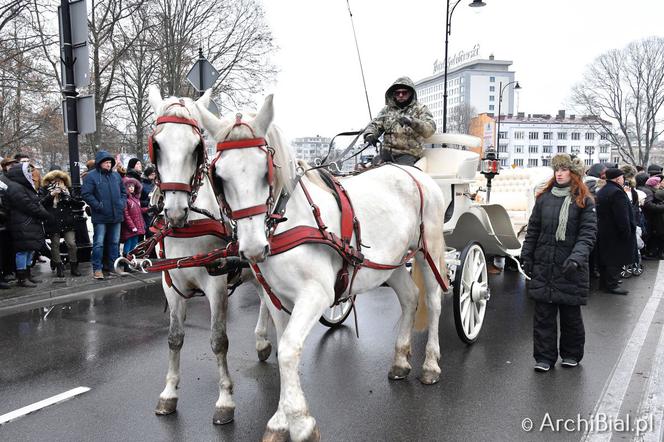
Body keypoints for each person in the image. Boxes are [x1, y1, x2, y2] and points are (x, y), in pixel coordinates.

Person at [520, 154, 596, 372]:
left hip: (570, 266)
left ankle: (571, 354)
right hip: (544, 264)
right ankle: (544, 357)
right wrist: (527, 255)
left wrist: (577, 258)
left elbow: (588, 234)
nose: (559, 173)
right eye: (557, 170)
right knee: (543, 315)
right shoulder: (544, 197)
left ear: (574, 173)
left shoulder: (584, 200)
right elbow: (533, 228)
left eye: (564, 170)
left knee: (570, 315)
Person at [362, 76, 436, 166]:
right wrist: (369, 134)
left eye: (404, 93)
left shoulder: (420, 109)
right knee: (368, 171)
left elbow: (430, 129)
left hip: (409, 154)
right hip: (386, 154)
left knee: (399, 175)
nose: (400, 95)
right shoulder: (387, 110)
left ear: (410, 93)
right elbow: (376, 124)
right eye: (397, 93)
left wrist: (412, 122)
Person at [4, 162, 52, 287]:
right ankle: (22, 278)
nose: (31, 174)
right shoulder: (15, 187)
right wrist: (44, 214)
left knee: (29, 249)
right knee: (22, 251)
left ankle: (27, 274)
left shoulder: (22, 186)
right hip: (22, 223)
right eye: (28, 172)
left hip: (28, 222)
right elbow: (27, 205)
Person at [81, 150, 127, 280]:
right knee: (99, 243)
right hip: (100, 216)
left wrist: (121, 204)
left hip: (116, 215)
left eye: (109, 162)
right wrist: (98, 206)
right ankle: (97, 269)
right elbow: (86, 194)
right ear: (100, 163)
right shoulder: (91, 176)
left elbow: (124, 193)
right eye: (106, 162)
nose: (108, 164)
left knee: (114, 242)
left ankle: (114, 267)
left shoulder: (116, 176)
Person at [596, 168, 637, 295]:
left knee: (605, 258)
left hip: (604, 230)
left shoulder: (603, 190)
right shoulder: (617, 192)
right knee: (615, 259)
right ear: (618, 178)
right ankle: (612, 284)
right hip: (616, 232)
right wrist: (626, 232)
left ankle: (604, 284)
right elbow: (622, 215)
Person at [39, 170, 85, 277]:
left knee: (72, 244)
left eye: (60, 180)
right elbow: (40, 204)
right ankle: (59, 266)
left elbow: (78, 203)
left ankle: (74, 266)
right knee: (55, 244)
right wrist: (51, 195)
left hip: (67, 220)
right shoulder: (44, 189)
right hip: (52, 220)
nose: (57, 182)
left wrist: (66, 195)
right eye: (54, 180)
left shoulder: (68, 189)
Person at [120, 177, 146, 259]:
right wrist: (132, 226)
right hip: (130, 227)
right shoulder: (126, 200)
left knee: (134, 245)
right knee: (128, 244)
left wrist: (149, 209)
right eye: (129, 186)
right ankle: (125, 262)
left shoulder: (135, 199)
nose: (131, 188)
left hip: (137, 226)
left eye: (132, 186)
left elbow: (139, 211)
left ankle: (130, 261)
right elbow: (126, 215)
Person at [140, 166, 157, 233]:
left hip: (154, 212)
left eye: (154, 173)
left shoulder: (155, 184)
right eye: (151, 173)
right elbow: (137, 201)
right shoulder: (141, 185)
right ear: (147, 174)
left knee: (152, 234)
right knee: (144, 232)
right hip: (144, 213)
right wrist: (148, 203)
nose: (153, 174)